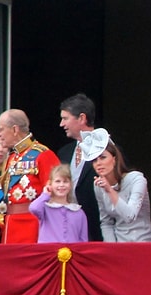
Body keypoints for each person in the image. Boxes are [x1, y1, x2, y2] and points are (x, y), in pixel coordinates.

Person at [0, 109, 60, 243]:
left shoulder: (43, 155)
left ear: (15, 130)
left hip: (33, 227)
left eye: (1, 129)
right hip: (10, 226)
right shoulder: (12, 158)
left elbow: (56, 196)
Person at [82, 129, 151, 242]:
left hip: (143, 242)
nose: (98, 163)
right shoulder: (98, 185)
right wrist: (113, 249)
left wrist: (109, 191)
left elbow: (129, 216)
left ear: (114, 159)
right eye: (94, 160)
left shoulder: (136, 179)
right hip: (118, 245)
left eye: (103, 157)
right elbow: (106, 222)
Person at [57, 93, 103, 241]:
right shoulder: (64, 153)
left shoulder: (107, 150)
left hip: (96, 230)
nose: (61, 124)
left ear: (82, 118)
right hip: (67, 230)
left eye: (65, 118)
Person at [29, 164, 88, 243]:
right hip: (49, 253)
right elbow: (33, 208)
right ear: (50, 184)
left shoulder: (79, 212)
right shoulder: (45, 208)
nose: (61, 185)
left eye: (65, 181)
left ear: (70, 185)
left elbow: (83, 240)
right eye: (57, 181)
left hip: (71, 253)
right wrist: (45, 194)